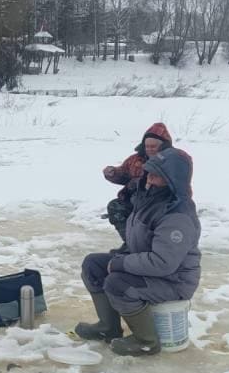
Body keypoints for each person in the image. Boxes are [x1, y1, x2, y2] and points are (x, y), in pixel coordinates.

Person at [77, 146, 201, 356]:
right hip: (152, 270)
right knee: (94, 265)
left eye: (157, 176)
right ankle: (108, 328)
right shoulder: (150, 198)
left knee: (118, 283)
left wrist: (119, 264)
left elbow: (163, 262)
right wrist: (122, 253)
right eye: (149, 173)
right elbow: (139, 238)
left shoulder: (177, 215)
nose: (150, 180)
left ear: (173, 179)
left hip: (174, 281)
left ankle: (147, 341)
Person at [103, 123, 173, 244]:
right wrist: (112, 172)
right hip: (135, 201)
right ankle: (130, 243)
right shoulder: (135, 159)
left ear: (163, 146)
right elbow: (123, 173)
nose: (150, 149)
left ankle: (153, 246)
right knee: (115, 206)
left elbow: (178, 184)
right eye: (147, 146)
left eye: (154, 146)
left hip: (160, 203)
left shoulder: (172, 160)